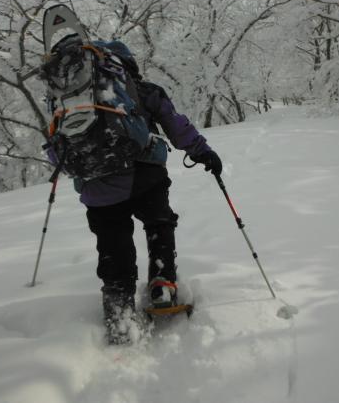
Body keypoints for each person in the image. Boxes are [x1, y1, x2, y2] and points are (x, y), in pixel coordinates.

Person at [47, 40, 222, 345]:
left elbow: (55, 149)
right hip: (145, 174)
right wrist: (202, 152)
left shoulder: (66, 98)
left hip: (97, 186)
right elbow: (175, 125)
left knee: (112, 243)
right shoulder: (144, 90)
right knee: (159, 223)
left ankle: (119, 309)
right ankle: (162, 284)